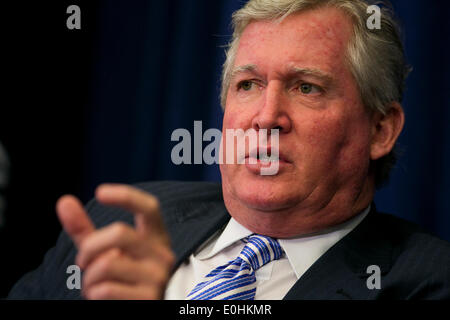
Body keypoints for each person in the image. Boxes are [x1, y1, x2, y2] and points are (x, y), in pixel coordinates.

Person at [8, 0, 450, 300]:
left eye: (307, 87)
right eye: (248, 85)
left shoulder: (425, 281)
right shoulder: (116, 223)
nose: (266, 116)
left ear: (380, 130)